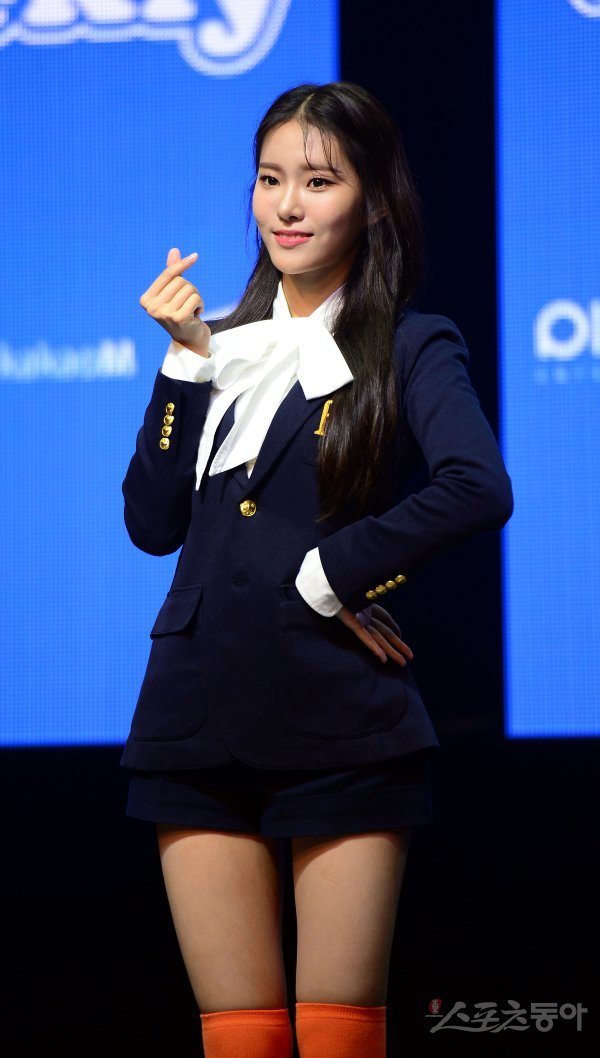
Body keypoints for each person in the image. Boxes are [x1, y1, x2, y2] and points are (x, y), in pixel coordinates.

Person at [120, 82, 513, 1058]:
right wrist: (183, 364)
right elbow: (150, 526)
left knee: (339, 1036)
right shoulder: (218, 344)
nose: (287, 206)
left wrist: (332, 573)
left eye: (319, 181)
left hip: (339, 712)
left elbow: (478, 486)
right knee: (239, 1036)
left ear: (373, 201)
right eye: (270, 180)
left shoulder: (409, 341)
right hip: (195, 712)